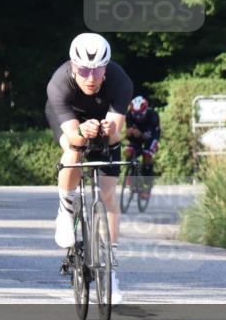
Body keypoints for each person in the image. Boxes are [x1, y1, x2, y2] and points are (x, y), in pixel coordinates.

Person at [44, 33, 133, 304]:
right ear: (73, 66)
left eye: (97, 70)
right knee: (75, 148)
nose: (90, 78)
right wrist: (82, 130)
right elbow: (73, 136)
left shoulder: (120, 82)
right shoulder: (59, 84)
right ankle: (66, 206)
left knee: (107, 196)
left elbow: (117, 136)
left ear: (106, 67)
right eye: (83, 70)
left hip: (105, 121)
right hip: (70, 121)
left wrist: (110, 130)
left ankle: (110, 271)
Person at [124, 95, 160, 199]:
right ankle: (131, 173)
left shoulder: (153, 115)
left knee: (147, 155)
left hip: (152, 136)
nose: (137, 117)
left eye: (140, 114)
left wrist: (139, 133)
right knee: (129, 151)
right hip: (137, 136)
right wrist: (129, 132)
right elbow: (129, 131)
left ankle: (147, 186)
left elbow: (148, 135)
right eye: (135, 114)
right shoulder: (129, 115)